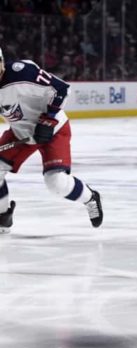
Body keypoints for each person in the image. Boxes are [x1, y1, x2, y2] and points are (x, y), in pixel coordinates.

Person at [0, 46, 102, 233]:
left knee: (56, 182)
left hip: (53, 129)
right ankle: (3, 219)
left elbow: (61, 88)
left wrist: (47, 121)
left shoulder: (21, 73)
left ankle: (90, 198)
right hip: (20, 133)